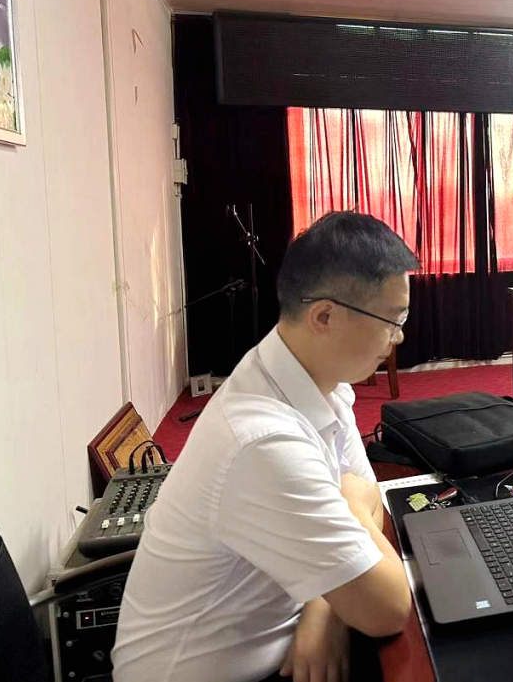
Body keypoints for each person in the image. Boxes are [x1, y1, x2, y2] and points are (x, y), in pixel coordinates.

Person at [112, 211, 419, 682]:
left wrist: (324, 605)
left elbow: (367, 498)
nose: (399, 336)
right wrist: (352, 515)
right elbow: (388, 607)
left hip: (281, 632)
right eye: (392, 320)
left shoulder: (320, 382)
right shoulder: (262, 440)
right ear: (324, 316)